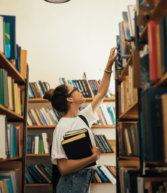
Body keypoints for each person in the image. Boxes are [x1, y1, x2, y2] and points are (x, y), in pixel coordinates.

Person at [43, 47, 117, 193]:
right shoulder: (62, 127)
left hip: (83, 181)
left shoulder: (83, 117)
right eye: (76, 90)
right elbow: (63, 169)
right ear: (70, 98)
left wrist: (108, 66)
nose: (81, 90)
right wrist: (94, 157)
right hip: (71, 183)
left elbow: (101, 93)